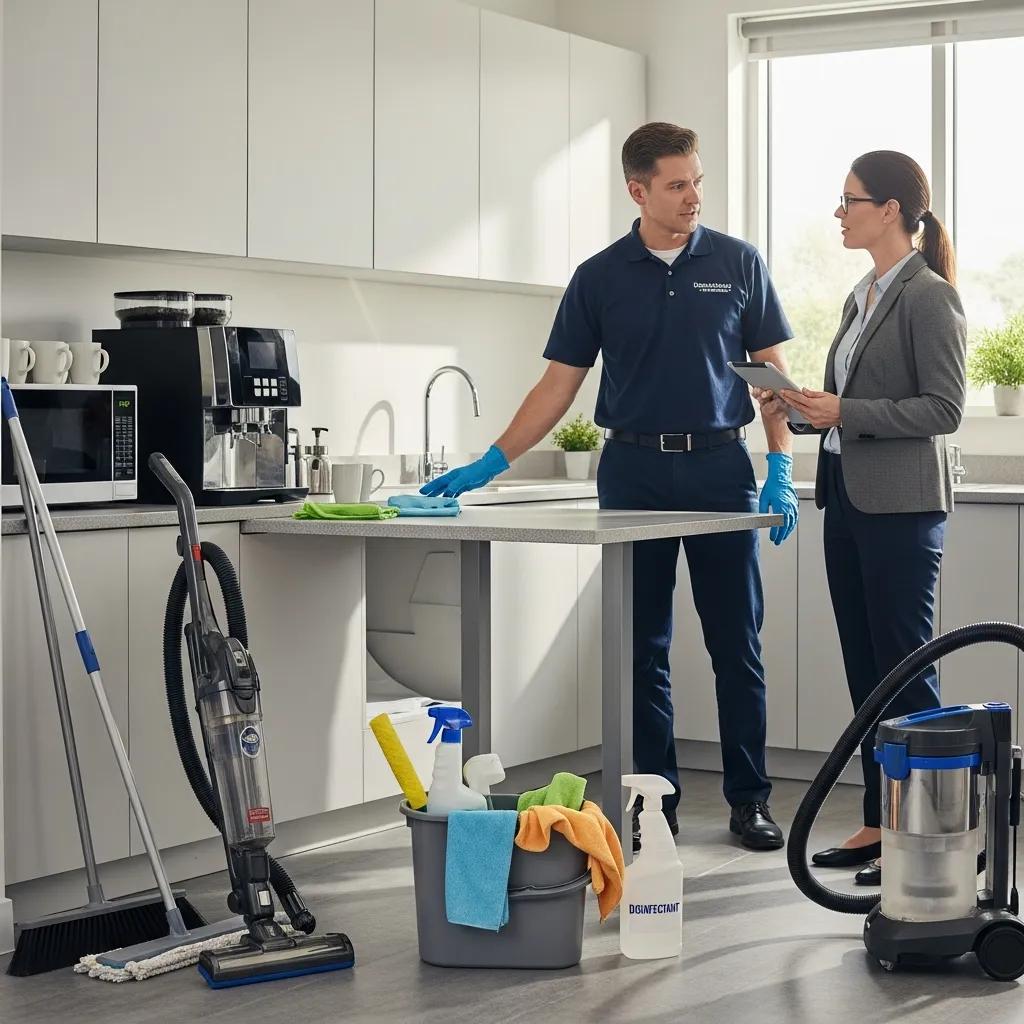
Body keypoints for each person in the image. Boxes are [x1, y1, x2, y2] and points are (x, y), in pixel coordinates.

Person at [422, 122, 799, 852]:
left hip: (721, 471)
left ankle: (750, 799)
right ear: (638, 190)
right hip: (631, 473)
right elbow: (557, 387)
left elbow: (771, 377)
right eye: (677, 184)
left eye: (697, 181)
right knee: (641, 647)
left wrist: (780, 467)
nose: (694, 197)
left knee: (736, 644)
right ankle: (649, 803)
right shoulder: (599, 276)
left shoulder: (738, 263)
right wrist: (488, 463)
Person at [764, 150, 966, 886]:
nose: (839, 213)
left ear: (889, 209)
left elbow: (943, 409)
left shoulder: (927, 295)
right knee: (867, 668)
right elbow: (853, 410)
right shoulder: (863, 295)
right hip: (847, 499)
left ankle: (932, 835)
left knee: (907, 671)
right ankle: (885, 822)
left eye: (849, 200)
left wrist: (845, 410)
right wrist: (802, 408)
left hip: (903, 509)